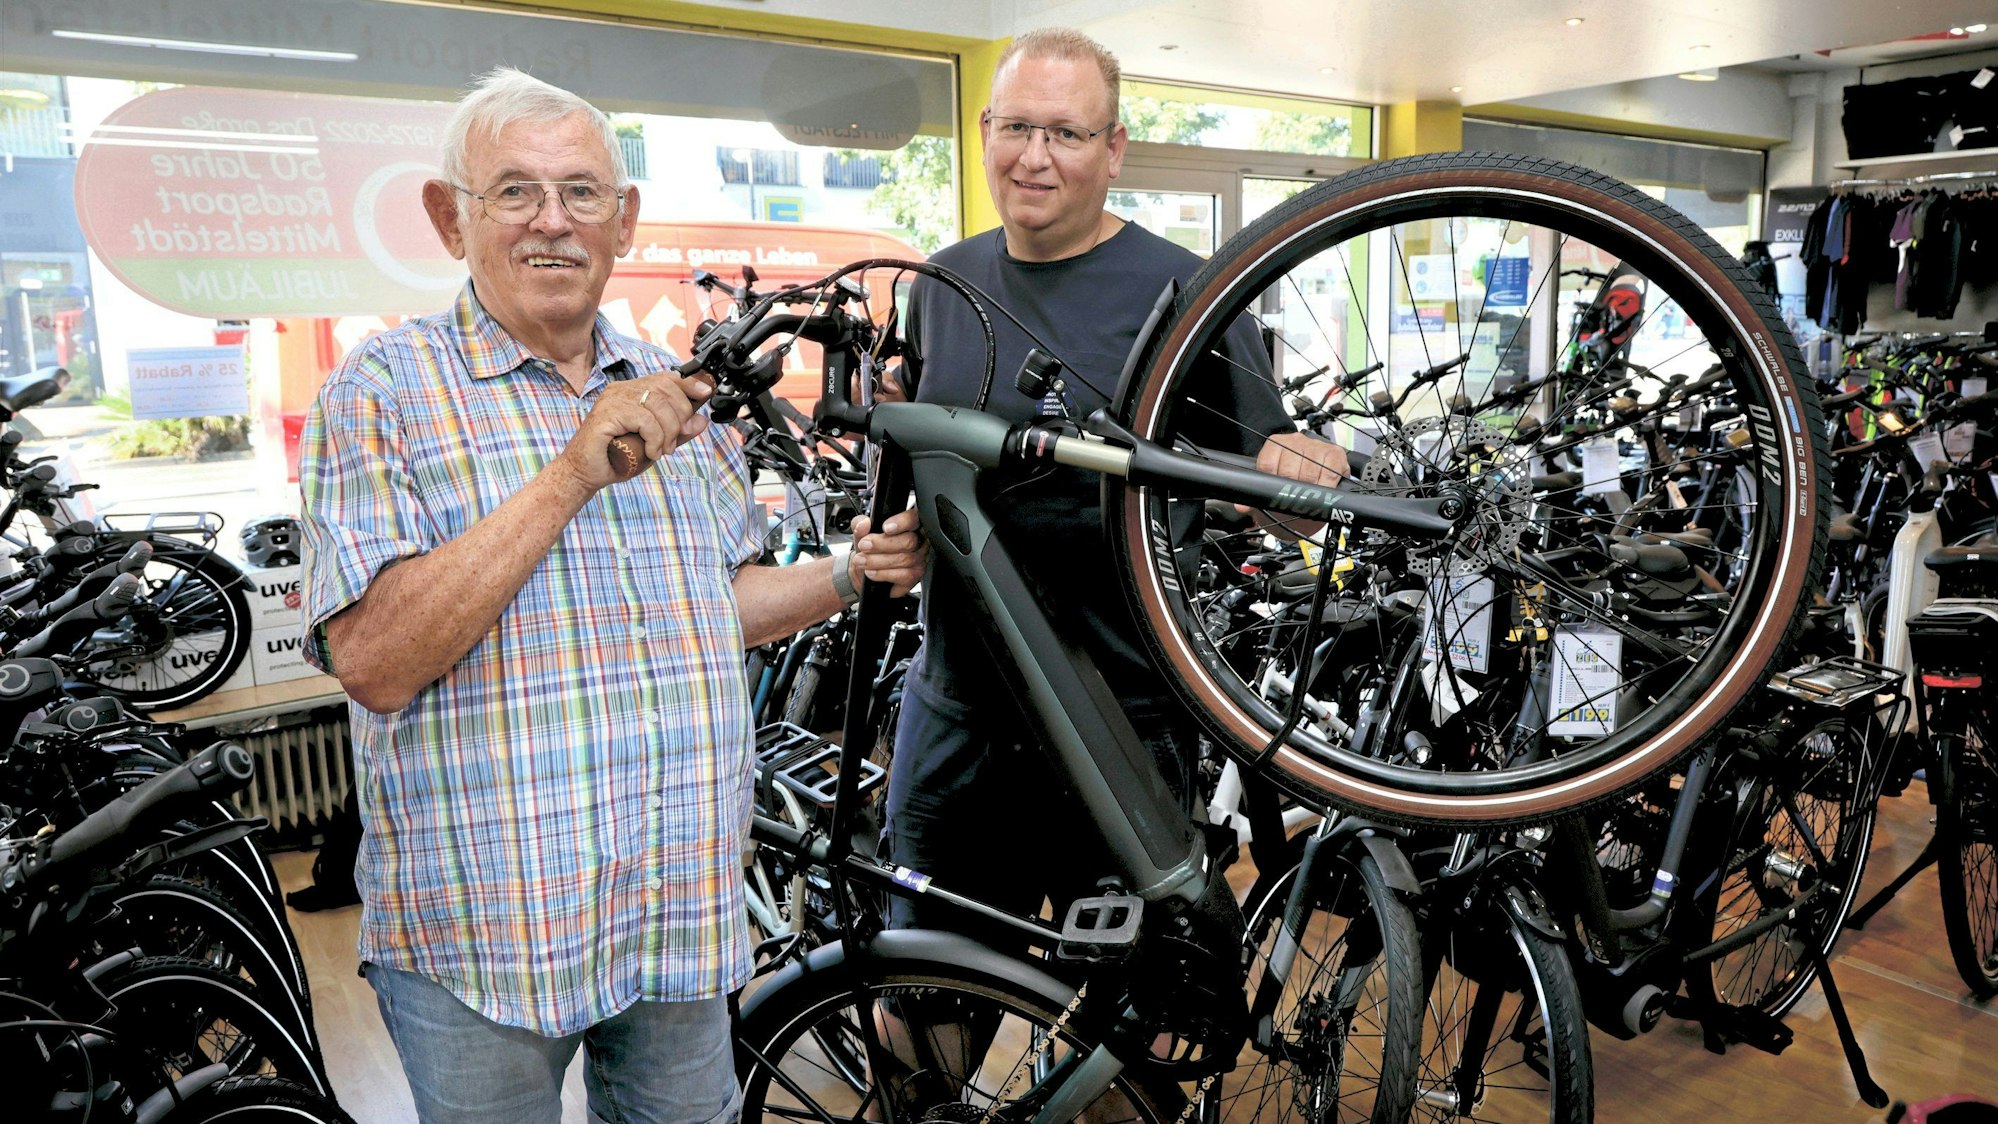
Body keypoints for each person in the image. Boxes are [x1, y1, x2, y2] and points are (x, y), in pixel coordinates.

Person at [297, 67, 924, 1124]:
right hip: (485, 943)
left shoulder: (676, 395)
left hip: (677, 919)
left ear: (623, 221)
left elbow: (713, 608)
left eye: (583, 193)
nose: (554, 222)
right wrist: (569, 472)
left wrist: (847, 573)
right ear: (451, 218)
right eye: (515, 192)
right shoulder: (381, 392)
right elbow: (375, 659)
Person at [876, 27, 1348, 942]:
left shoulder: (1184, 290)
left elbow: (1266, 480)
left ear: (1114, 147)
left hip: (1123, 712)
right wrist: (893, 543)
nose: (1036, 157)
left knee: (1124, 1024)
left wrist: (1303, 463)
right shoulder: (938, 282)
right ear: (984, 131)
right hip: (958, 710)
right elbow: (920, 482)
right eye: (1017, 128)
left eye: (1068, 133)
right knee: (922, 995)